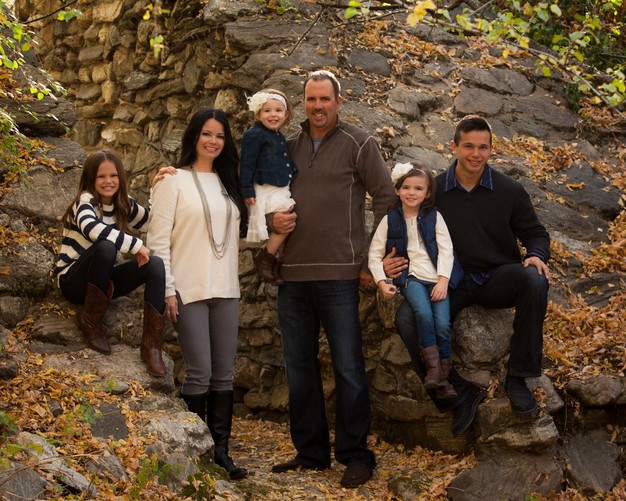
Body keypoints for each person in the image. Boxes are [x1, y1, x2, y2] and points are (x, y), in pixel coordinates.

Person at [269, 70, 397, 489]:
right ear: (302, 102)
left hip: (341, 275)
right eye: (311, 99)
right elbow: (264, 195)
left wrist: (370, 259)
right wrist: (271, 222)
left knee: (348, 367)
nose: (317, 106)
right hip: (292, 276)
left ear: (339, 102)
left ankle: (356, 455)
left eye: (325, 99)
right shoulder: (287, 146)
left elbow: (385, 198)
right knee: (298, 368)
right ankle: (310, 453)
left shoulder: (359, 143)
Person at [384, 115, 551, 420]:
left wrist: (537, 253)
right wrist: (388, 259)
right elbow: (402, 225)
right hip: (451, 281)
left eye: (483, 147)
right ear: (454, 146)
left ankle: (518, 377)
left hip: (497, 277)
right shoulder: (432, 190)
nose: (476, 154)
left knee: (535, 279)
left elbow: (535, 233)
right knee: (407, 318)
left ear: (491, 149)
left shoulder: (509, 190)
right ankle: (456, 391)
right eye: (468, 146)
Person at [146, 109, 248, 480]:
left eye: (220, 136)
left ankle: (221, 452)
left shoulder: (229, 182)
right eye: (207, 133)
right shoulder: (171, 180)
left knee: (224, 375)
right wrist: (168, 290)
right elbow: (157, 241)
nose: (213, 141)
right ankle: (195, 450)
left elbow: (244, 232)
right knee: (200, 371)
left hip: (226, 288)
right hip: (187, 289)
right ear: (194, 136)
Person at [53, 149, 167, 377]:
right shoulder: (85, 201)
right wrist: (134, 245)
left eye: (113, 175)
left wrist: (158, 189)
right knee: (106, 247)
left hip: (102, 281)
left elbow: (150, 221)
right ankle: (90, 322)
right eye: (101, 176)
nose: (108, 181)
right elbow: (92, 229)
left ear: (120, 177)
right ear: (91, 179)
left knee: (154, 265)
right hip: (72, 281)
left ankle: (151, 346)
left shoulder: (122, 203)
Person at [369, 162, 463, 400]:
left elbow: (447, 250)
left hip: (437, 278)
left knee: (442, 324)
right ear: (397, 190)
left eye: (418, 188)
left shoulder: (434, 217)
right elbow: (374, 255)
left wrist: (443, 281)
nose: (412, 193)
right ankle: (433, 372)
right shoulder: (390, 220)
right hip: (411, 278)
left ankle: (443, 379)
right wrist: (382, 282)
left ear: (427, 193)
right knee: (422, 314)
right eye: (406, 187)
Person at [240, 88, 298, 285]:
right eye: (267, 111)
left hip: (279, 186)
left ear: (286, 114)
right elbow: (247, 163)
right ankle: (266, 257)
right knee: (286, 215)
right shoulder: (254, 135)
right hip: (266, 186)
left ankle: (276, 261)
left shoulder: (277, 135)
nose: (273, 115)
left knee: (286, 221)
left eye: (278, 110)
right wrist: (247, 189)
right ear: (258, 114)